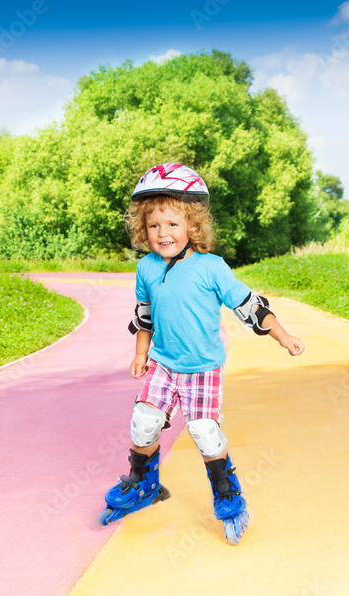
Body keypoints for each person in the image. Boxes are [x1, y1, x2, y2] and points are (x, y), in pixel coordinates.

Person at [97, 163, 304, 544]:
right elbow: (145, 317)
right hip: (163, 363)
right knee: (143, 422)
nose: (163, 234)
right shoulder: (145, 268)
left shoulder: (212, 268)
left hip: (202, 368)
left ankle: (227, 489)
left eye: (173, 224)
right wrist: (141, 354)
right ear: (144, 229)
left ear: (193, 226)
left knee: (205, 432)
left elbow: (250, 306)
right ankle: (143, 482)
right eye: (154, 225)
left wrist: (282, 335)